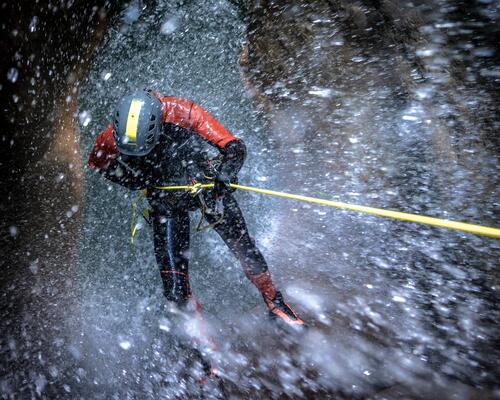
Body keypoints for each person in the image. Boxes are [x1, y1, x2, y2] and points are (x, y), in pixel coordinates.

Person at [88, 89, 304, 328]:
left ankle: (275, 302)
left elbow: (234, 147)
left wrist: (226, 173)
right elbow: (99, 162)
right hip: (164, 199)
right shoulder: (110, 137)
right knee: (174, 287)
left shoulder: (182, 112)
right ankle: (199, 345)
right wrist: (133, 181)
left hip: (204, 187)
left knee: (244, 249)